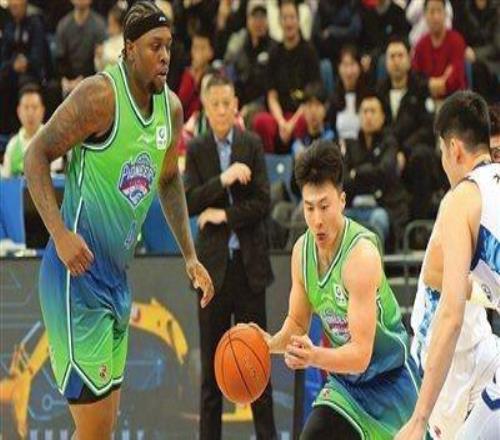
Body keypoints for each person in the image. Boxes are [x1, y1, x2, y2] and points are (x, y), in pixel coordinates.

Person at [23, 2, 214, 438]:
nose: (165, 56)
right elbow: (36, 155)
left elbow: (169, 180)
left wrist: (189, 256)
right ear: (129, 49)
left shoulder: (171, 110)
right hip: (76, 280)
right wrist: (60, 234)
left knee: (101, 430)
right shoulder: (99, 97)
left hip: (115, 281)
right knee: (94, 432)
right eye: (154, 46)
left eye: (169, 46)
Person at [251, 140, 419, 439]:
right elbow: (297, 323)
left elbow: (361, 355)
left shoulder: (361, 255)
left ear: (342, 201)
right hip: (347, 387)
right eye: (309, 208)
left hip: (391, 383)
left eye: (324, 206)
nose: (317, 220)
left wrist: (313, 356)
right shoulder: (301, 252)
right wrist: (269, 344)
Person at [396, 91, 500, 439]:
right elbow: (437, 274)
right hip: (466, 350)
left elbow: (452, 315)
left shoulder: (461, 199)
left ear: (454, 149)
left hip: (456, 347)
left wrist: (419, 417)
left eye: (442, 152)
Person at [184, 73, 277, 440]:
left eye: (227, 103)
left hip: (250, 270)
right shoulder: (197, 149)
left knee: (258, 370)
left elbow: (263, 202)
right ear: (206, 108)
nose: (222, 110)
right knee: (212, 377)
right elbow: (189, 201)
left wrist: (224, 215)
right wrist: (223, 179)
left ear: (236, 105)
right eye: (216, 104)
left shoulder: (251, 144)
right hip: (213, 275)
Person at [2, 83, 63, 178]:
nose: (30, 113)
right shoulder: (12, 145)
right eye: (26, 107)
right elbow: (6, 180)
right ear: (19, 111)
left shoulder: (53, 141)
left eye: (34, 107)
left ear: (42, 110)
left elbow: (57, 177)